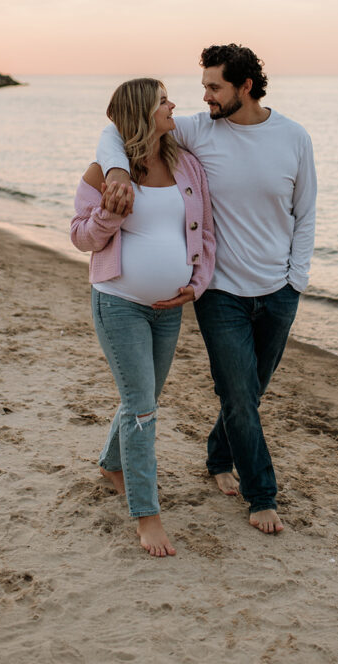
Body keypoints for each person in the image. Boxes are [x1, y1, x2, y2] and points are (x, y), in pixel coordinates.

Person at [97, 45, 316, 535]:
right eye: (202, 87)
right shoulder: (200, 129)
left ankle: (219, 457)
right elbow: (119, 130)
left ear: (245, 87)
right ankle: (262, 495)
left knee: (250, 393)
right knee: (238, 395)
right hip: (218, 294)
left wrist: (295, 281)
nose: (204, 97)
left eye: (214, 87)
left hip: (278, 290)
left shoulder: (294, 137)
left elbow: (306, 213)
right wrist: (115, 170)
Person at [70, 78, 215, 557]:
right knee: (142, 408)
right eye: (162, 101)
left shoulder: (185, 163)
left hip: (169, 309)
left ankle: (113, 463)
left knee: (143, 398)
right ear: (141, 113)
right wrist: (108, 216)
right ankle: (146, 515)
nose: (173, 105)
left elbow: (206, 233)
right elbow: (81, 237)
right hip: (118, 302)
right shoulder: (106, 173)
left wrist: (198, 283)